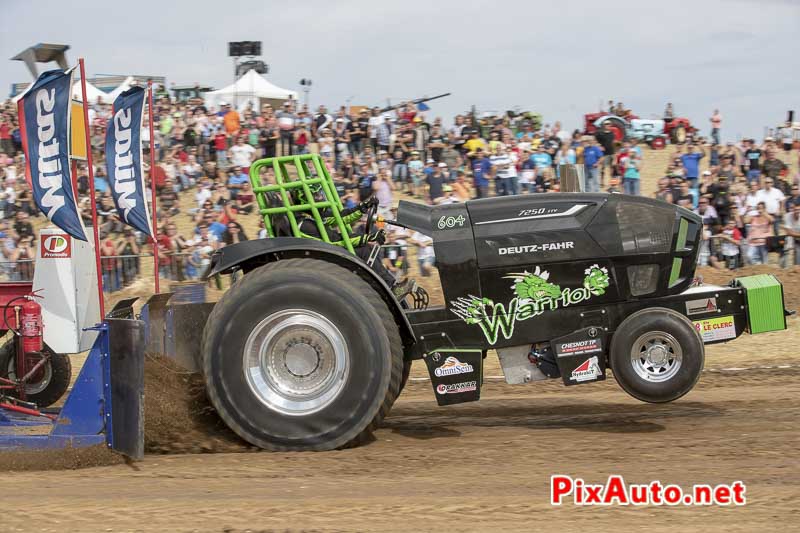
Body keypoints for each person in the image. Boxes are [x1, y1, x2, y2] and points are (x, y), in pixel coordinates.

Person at [595, 121, 615, 186]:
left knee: (611, 169)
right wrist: (599, 146)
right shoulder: (600, 134)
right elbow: (595, 141)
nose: (608, 125)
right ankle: (602, 182)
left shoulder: (612, 134)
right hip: (604, 154)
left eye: (609, 124)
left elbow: (614, 143)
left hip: (611, 153)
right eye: (606, 124)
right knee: (603, 169)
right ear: (604, 125)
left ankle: (612, 183)